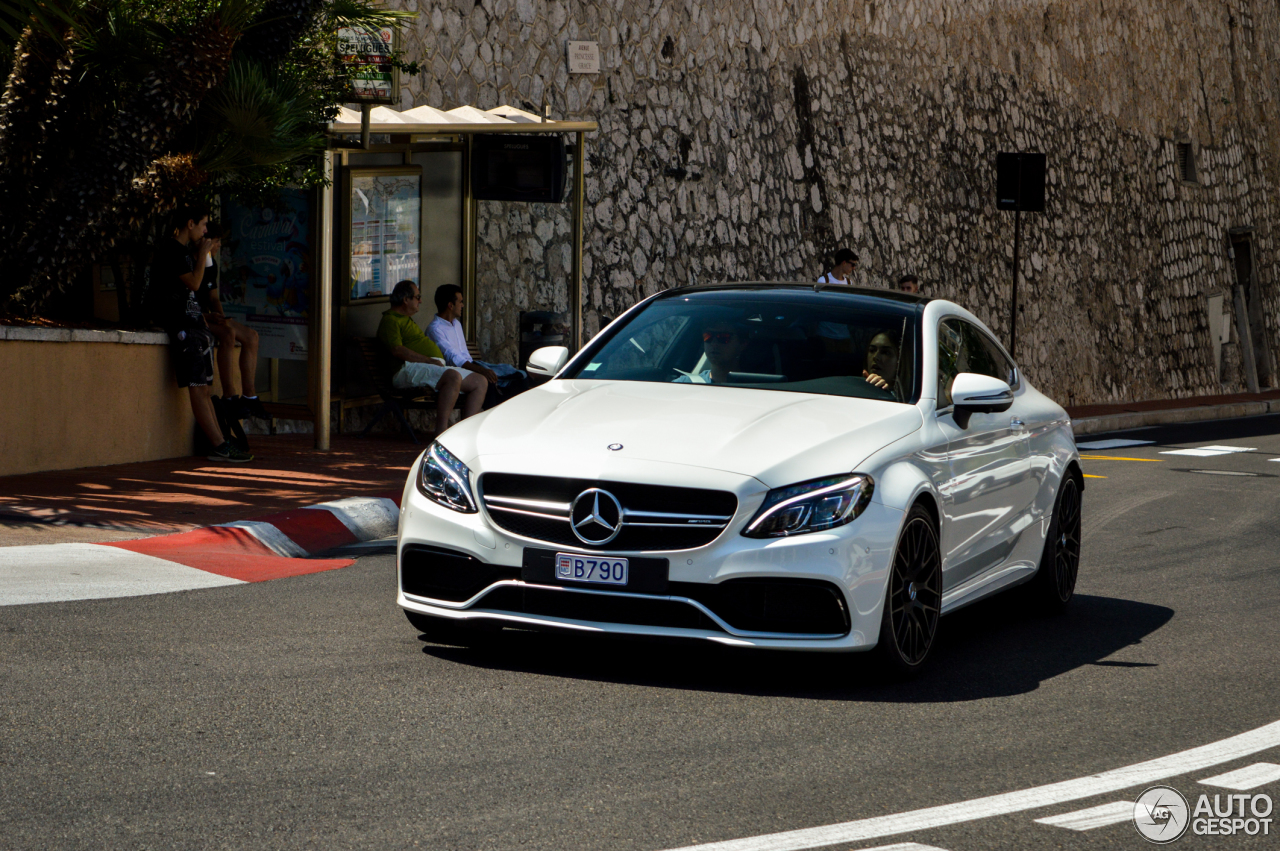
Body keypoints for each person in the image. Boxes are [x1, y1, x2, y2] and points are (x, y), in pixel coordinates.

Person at [152, 203, 252, 463]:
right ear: (190, 224)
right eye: (204, 224)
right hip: (184, 330)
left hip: (196, 325)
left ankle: (221, 441)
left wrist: (206, 316)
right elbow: (194, 283)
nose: (206, 230)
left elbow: (188, 295)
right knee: (198, 388)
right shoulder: (172, 250)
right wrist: (202, 255)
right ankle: (218, 445)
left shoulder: (184, 252)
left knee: (206, 388)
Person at [376, 281, 487, 435]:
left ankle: (465, 433)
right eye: (417, 297)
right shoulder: (390, 321)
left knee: (479, 381)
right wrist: (428, 360)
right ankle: (441, 433)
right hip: (405, 369)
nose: (420, 301)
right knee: (452, 377)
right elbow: (397, 350)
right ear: (405, 300)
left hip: (425, 366)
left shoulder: (405, 319)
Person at [200, 222, 267, 421]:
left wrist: (221, 317)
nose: (219, 245)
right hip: (196, 317)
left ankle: (250, 395)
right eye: (217, 241)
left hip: (211, 316)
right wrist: (210, 318)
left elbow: (213, 297)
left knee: (252, 336)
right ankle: (229, 395)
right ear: (207, 241)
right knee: (228, 335)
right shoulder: (193, 261)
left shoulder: (211, 263)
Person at [427, 284, 529, 398]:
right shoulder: (435, 329)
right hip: (455, 372)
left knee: (520, 377)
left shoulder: (457, 324)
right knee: (489, 382)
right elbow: (452, 357)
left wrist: (481, 368)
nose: (462, 305)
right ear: (450, 305)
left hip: (470, 365)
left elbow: (465, 356)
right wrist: (481, 370)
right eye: (460, 302)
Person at [674, 322, 750, 384]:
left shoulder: (756, 387)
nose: (714, 344)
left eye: (723, 337)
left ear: (742, 344)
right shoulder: (683, 384)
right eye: (708, 336)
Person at [862, 331, 903, 400]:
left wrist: (885, 394)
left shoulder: (910, 399)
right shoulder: (853, 388)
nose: (875, 357)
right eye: (872, 350)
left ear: (899, 360)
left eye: (885, 352)